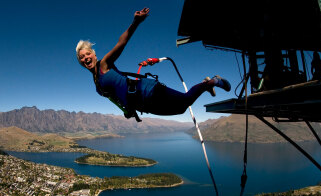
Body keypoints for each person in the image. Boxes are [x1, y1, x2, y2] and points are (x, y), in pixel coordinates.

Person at [76, 7, 230, 121]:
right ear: (80, 62)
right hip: (142, 104)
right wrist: (127, 109)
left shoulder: (104, 64)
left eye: (88, 54)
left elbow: (121, 43)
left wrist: (135, 22)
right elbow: (115, 97)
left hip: (148, 91)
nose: (86, 58)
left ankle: (212, 81)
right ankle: (206, 85)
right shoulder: (96, 83)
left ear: (94, 55)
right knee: (181, 110)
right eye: (82, 57)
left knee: (184, 102)